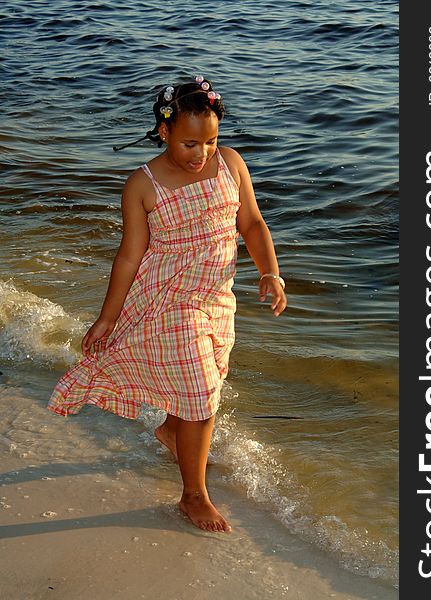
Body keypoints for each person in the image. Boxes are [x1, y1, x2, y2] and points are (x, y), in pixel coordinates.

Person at [48, 76, 287, 533]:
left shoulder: (230, 165)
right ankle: (192, 495)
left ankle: (173, 432)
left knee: (208, 374)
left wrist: (270, 272)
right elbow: (129, 255)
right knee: (200, 389)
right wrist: (106, 318)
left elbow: (252, 224)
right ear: (164, 132)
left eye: (211, 141)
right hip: (166, 298)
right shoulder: (143, 184)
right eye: (190, 143)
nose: (202, 154)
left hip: (217, 294)